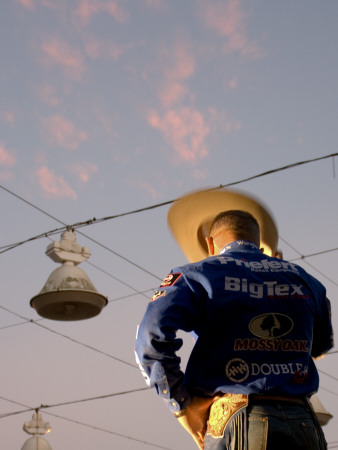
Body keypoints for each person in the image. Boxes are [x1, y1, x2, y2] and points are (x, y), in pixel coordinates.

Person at [135, 210, 333, 449]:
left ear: (210, 243)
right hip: (303, 421)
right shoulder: (307, 280)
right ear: (259, 244)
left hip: (238, 417)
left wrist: (182, 404)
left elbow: (149, 337)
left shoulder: (195, 275)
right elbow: (320, 344)